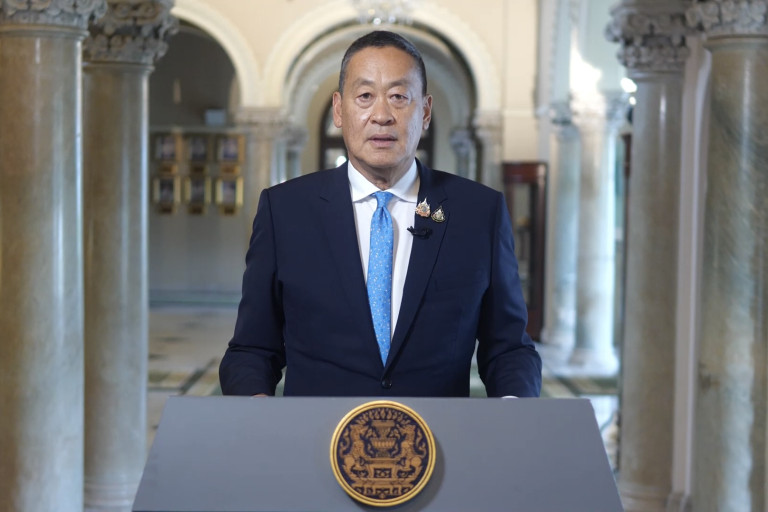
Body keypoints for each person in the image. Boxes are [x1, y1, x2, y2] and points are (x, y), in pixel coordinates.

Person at [219, 30, 541, 398]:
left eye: (399, 97)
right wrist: (256, 407)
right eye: (365, 96)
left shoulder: (478, 213)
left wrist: (513, 406)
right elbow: (252, 350)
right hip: (317, 432)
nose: (382, 116)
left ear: (425, 111)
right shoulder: (285, 212)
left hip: (436, 432)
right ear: (339, 110)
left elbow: (510, 350)